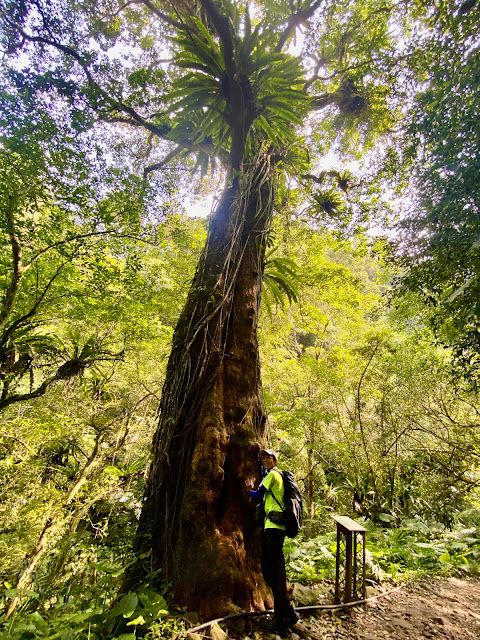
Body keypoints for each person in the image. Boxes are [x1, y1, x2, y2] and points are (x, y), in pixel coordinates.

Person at [245, 448, 299, 631]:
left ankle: (281, 617)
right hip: (275, 527)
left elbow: (257, 495)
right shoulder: (275, 476)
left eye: (269, 458)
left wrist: (248, 490)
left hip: (273, 529)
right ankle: (288, 613)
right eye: (264, 458)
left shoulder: (273, 476)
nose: (266, 460)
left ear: (275, 461)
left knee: (274, 571)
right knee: (275, 568)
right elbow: (263, 474)